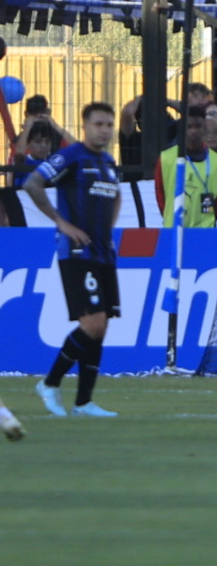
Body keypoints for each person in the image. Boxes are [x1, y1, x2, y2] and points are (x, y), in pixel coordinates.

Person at [24, 102, 123, 419]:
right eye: (99, 124)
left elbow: (116, 194)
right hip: (77, 253)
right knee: (92, 323)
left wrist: (109, 231)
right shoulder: (71, 156)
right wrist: (62, 224)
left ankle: (83, 402)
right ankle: (50, 383)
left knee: (101, 327)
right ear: (85, 126)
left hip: (102, 253)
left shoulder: (108, 162)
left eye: (109, 124)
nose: (105, 130)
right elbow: (32, 183)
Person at [153, 104, 217, 229]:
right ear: (182, 129)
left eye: (198, 126)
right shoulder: (166, 158)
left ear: (204, 128)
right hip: (173, 230)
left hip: (205, 231)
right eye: (189, 127)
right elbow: (160, 195)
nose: (193, 131)